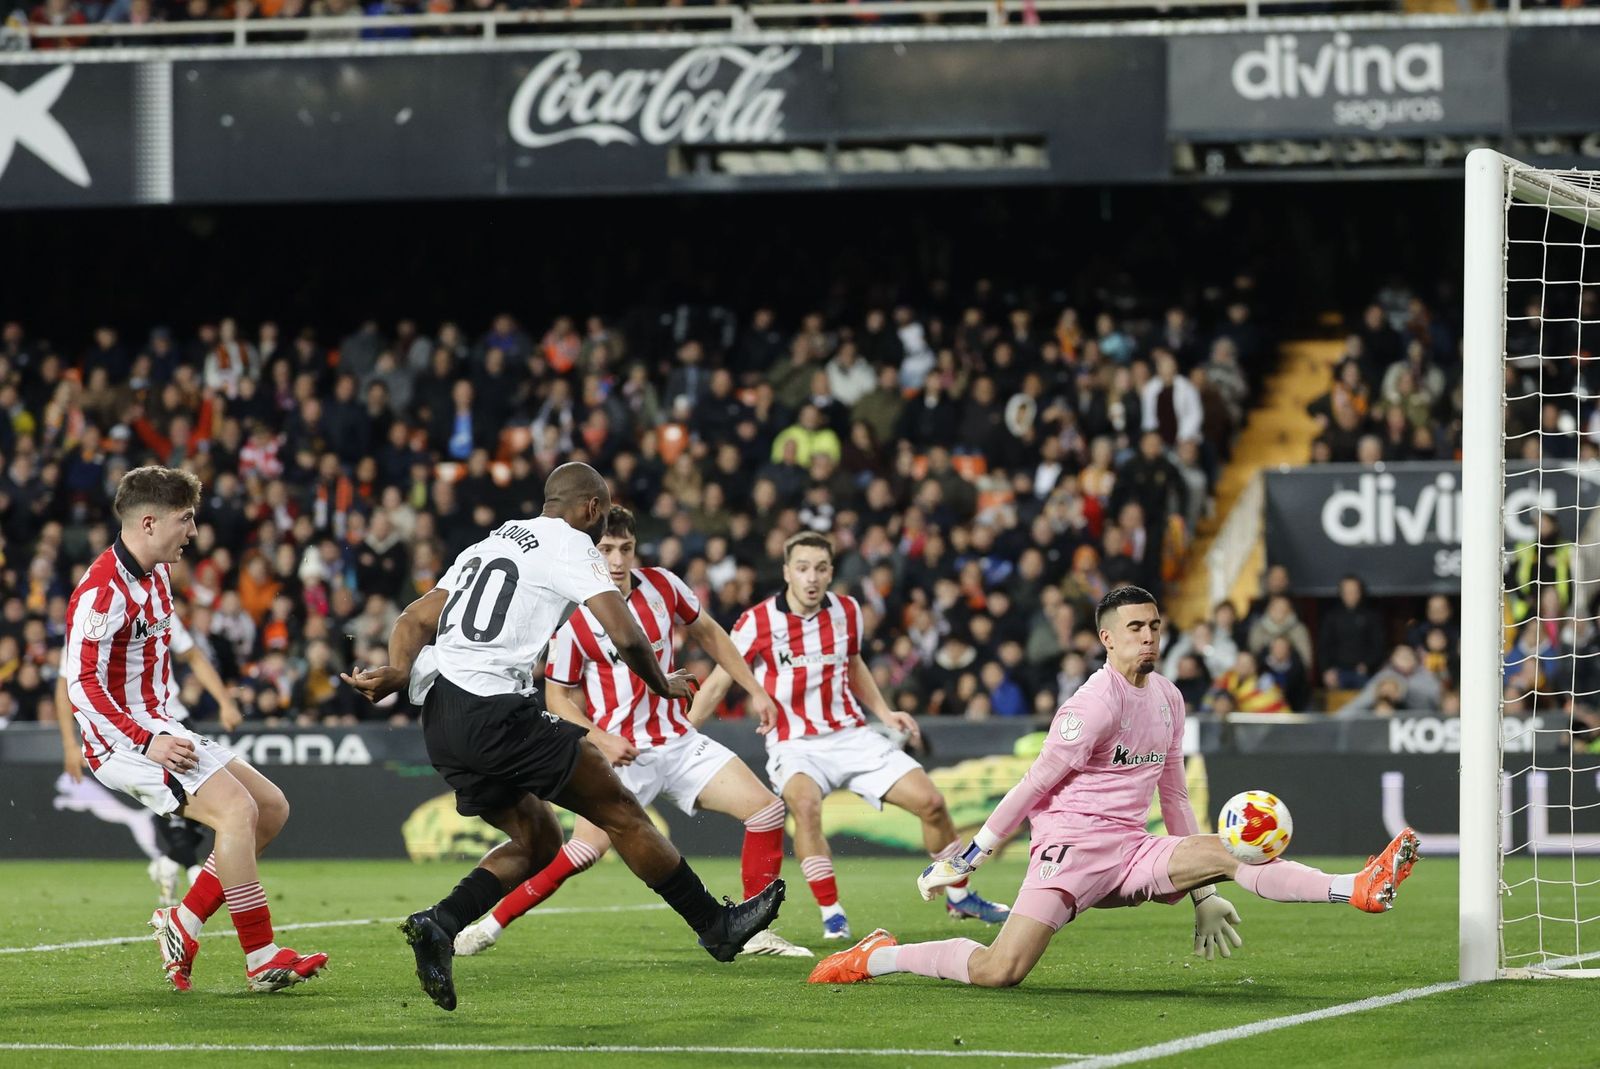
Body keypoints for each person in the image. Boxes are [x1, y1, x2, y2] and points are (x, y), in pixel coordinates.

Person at [808, 586, 1421, 988]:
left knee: (1234, 848)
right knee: (1001, 971)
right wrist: (974, 853)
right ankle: (878, 955)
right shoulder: (1090, 705)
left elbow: (1175, 796)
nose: (1149, 636)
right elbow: (1034, 782)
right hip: (1069, 851)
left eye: (1155, 625)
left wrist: (1203, 895)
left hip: (1131, 847)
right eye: (1135, 628)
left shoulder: (1170, 697)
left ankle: (1359, 887)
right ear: (1107, 637)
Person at [342, 463, 784, 1012]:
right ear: (592, 510)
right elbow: (624, 632)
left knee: (538, 839)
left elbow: (411, 619)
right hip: (496, 710)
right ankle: (716, 926)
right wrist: (662, 683)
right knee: (620, 809)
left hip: (442, 715)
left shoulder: (492, 540)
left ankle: (442, 923)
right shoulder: (572, 545)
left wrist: (399, 672)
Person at [453, 506, 811, 959]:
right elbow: (558, 698)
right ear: (591, 551)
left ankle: (755, 934)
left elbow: (712, 634)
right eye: (606, 549)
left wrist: (754, 688)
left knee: (766, 812)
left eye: (625, 548)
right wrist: (602, 739)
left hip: (678, 743)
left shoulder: (663, 586)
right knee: (580, 854)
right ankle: (490, 925)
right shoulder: (575, 616)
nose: (617, 560)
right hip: (622, 757)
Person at [62, 466, 326, 993]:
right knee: (237, 810)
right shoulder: (101, 592)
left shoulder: (156, 573)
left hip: (158, 726)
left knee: (270, 809)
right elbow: (82, 687)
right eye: (186, 519)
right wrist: (147, 741)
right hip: (124, 742)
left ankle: (181, 923)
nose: (194, 531)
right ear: (151, 522)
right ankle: (261, 957)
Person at [690, 532, 1009, 942]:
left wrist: (884, 712)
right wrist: (683, 735)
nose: (812, 577)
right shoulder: (758, 621)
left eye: (821, 568)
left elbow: (854, 663)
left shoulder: (846, 610)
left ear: (831, 572)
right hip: (795, 742)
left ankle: (959, 896)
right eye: (802, 568)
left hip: (852, 735)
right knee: (805, 806)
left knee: (931, 803)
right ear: (787, 571)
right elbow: (719, 682)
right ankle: (832, 913)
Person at [56, 610, 244, 907]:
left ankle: (172, 865)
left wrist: (224, 701)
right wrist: (69, 743)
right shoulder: (93, 618)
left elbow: (193, 655)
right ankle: (193, 876)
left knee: (220, 809)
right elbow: (69, 684)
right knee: (182, 807)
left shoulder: (158, 606)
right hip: (137, 731)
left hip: (176, 720)